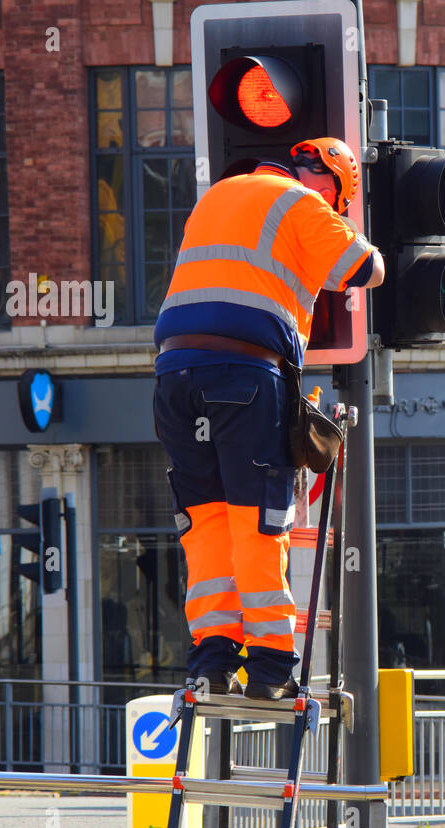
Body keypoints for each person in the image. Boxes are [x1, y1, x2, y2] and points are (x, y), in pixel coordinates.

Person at [153, 138, 384, 700]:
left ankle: (211, 660)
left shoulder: (218, 196)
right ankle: (272, 666)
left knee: (203, 520)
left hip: (174, 373)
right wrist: (343, 232)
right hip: (245, 374)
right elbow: (364, 268)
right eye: (338, 201)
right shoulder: (300, 204)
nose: (333, 209)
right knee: (259, 519)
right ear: (326, 181)